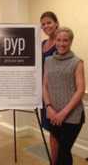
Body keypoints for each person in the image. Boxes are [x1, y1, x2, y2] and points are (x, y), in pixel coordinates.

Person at [43, 27, 85, 165]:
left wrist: (63, 113)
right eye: (59, 40)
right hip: (53, 113)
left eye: (65, 40)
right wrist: (48, 107)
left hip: (72, 115)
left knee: (63, 151)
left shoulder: (77, 62)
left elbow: (80, 90)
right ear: (55, 41)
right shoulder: (48, 60)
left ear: (71, 42)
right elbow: (45, 85)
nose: (61, 43)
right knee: (59, 151)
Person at [40, 11, 59, 165]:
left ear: (56, 23)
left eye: (49, 22)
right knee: (52, 132)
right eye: (43, 24)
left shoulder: (61, 42)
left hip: (57, 93)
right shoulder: (42, 44)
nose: (46, 26)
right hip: (43, 93)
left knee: (57, 132)